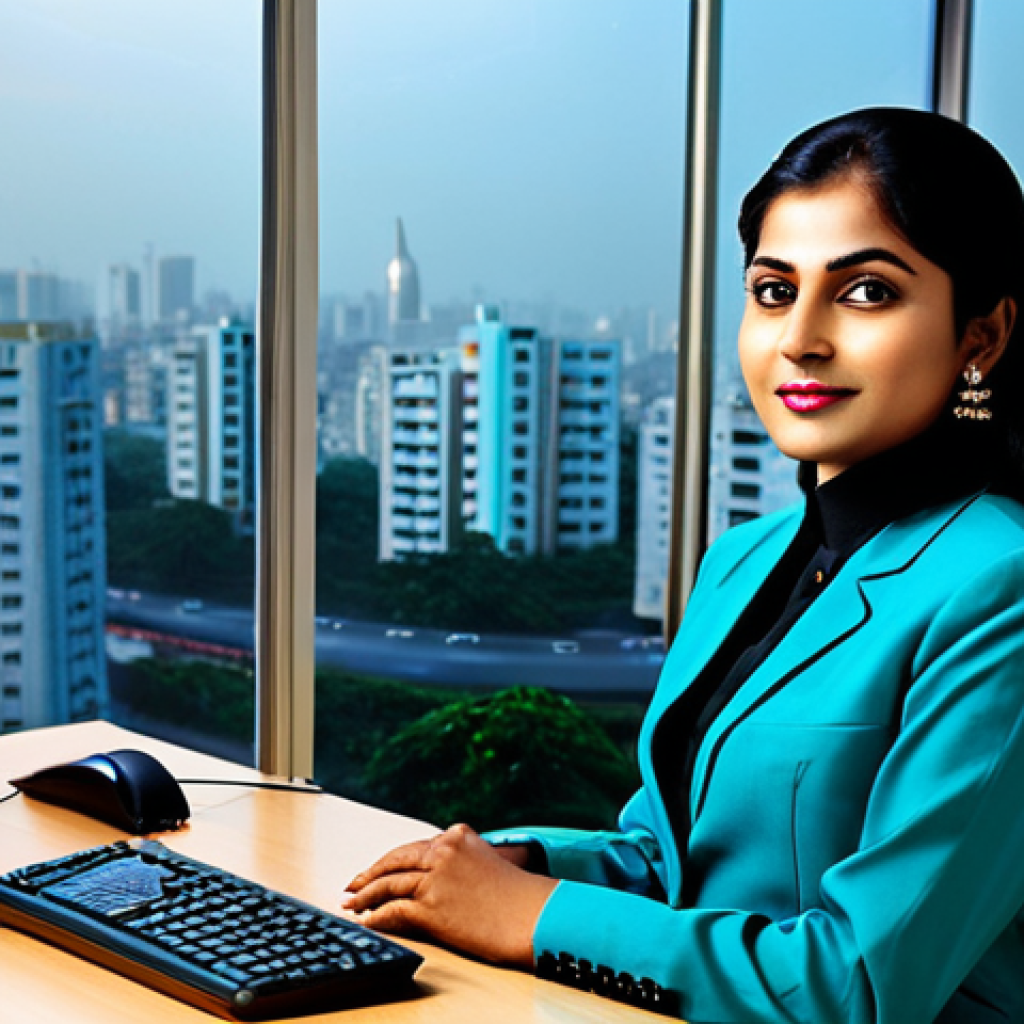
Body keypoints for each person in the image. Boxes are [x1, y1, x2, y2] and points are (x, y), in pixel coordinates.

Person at [340, 107, 1024, 1023]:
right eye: (774, 290)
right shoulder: (742, 562)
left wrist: (535, 915)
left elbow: (859, 984)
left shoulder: (998, 586)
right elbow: (672, 858)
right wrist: (525, 867)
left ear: (981, 337)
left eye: (864, 293)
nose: (802, 338)